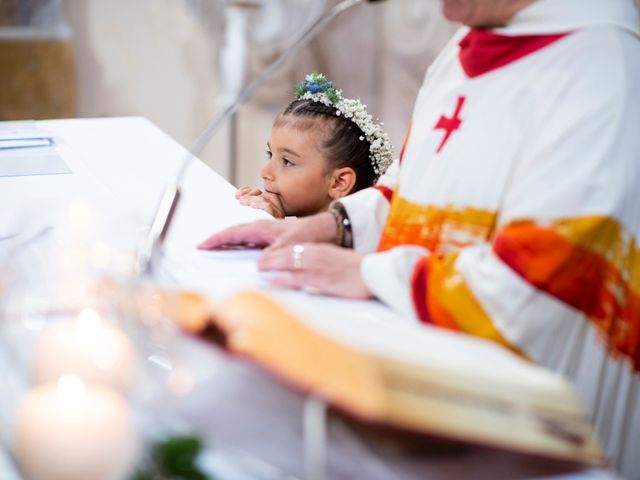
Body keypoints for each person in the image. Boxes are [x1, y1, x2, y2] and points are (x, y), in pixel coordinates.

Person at [200, 0, 640, 474]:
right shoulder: (465, 43)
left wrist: (367, 272)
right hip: (420, 390)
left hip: (519, 433)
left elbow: (536, 286)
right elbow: (409, 184)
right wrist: (336, 227)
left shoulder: (603, 71)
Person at [234, 72, 393, 218]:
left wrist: (271, 226)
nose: (265, 172)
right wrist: (243, 213)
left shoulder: (343, 248)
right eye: (270, 154)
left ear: (339, 182)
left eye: (287, 162)